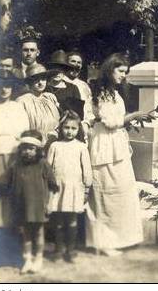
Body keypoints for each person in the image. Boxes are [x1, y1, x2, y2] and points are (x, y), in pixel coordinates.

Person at [86, 53, 146, 256]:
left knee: (122, 192)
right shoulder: (101, 92)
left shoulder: (114, 92)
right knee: (106, 194)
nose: (123, 76)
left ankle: (122, 238)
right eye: (120, 71)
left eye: (125, 73)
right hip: (105, 146)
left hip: (116, 146)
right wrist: (134, 115)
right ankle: (104, 242)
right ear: (110, 69)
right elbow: (110, 122)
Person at [0, 130, 59, 274]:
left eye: (31, 148)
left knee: (38, 233)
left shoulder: (43, 164)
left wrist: (50, 204)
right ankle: (28, 260)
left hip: (38, 207)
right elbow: (3, 181)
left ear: (38, 149)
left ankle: (39, 259)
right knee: (26, 235)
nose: (28, 151)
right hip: (22, 207)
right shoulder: (16, 165)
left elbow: (52, 185)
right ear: (20, 149)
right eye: (24, 148)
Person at [47, 110, 92, 262]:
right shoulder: (55, 146)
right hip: (57, 188)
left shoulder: (81, 147)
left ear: (78, 129)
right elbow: (48, 168)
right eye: (66, 127)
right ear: (61, 128)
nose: (69, 131)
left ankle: (71, 250)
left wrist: (86, 189)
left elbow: (87, 169)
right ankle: (58, 250)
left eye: (73, 128)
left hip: (74, 188)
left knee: (72, 219)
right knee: (58, 220)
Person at [0, 70, 29, 228]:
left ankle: (11, 224)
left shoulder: (17, 107)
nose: (4, 90)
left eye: (7, 86)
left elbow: (22, 131)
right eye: (1, 85)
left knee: (12, 188)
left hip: (13, 153)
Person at [16, 63, 60, 144]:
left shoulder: (50, 98)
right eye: (36, 79)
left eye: (43, 79)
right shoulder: (23, 101)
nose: (40, 83)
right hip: (34, 143)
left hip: (53, 142)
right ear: (29, 82)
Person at [45, 50, 84, 118]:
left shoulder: (72, 88)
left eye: (61, 69)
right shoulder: (44, 87)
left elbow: (78, 114)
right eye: (55, 69)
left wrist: (58, 105)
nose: (58, 73)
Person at [65, 51, 95, 132]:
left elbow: (89, 108)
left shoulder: (84, 85)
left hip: (83, 128)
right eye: (73, 61)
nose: (76, 65)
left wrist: (87, 124)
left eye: (79, 62)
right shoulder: (60, 83)